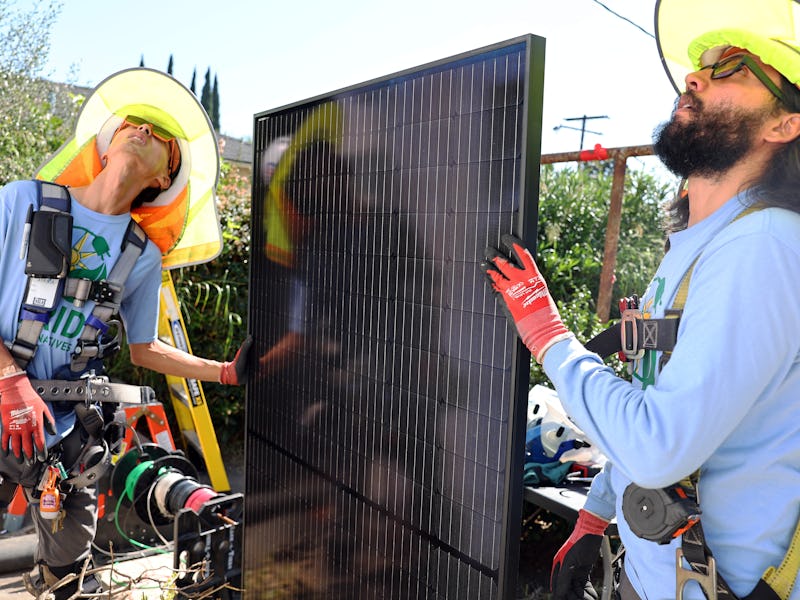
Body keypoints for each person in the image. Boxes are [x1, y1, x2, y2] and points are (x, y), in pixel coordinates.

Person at [483, 7, 800, 600]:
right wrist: (597, 513)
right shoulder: (704, 243)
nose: (696, 77)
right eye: (699, 65)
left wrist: (550, 336)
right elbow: (658, 398)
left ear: (784, 124)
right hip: (660, 574)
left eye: (731, 67)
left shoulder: (763, 247)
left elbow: (658, 447)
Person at [0, 68, 250, 599]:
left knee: (68, 569)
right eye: (135, 122)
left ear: (163, 179)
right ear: (106, 143)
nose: (144, 131)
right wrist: (8, 379)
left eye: (163, 139)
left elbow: (145, 348)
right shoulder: (20, 201)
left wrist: (223, 372)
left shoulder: (141, 256)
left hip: (65, 430)